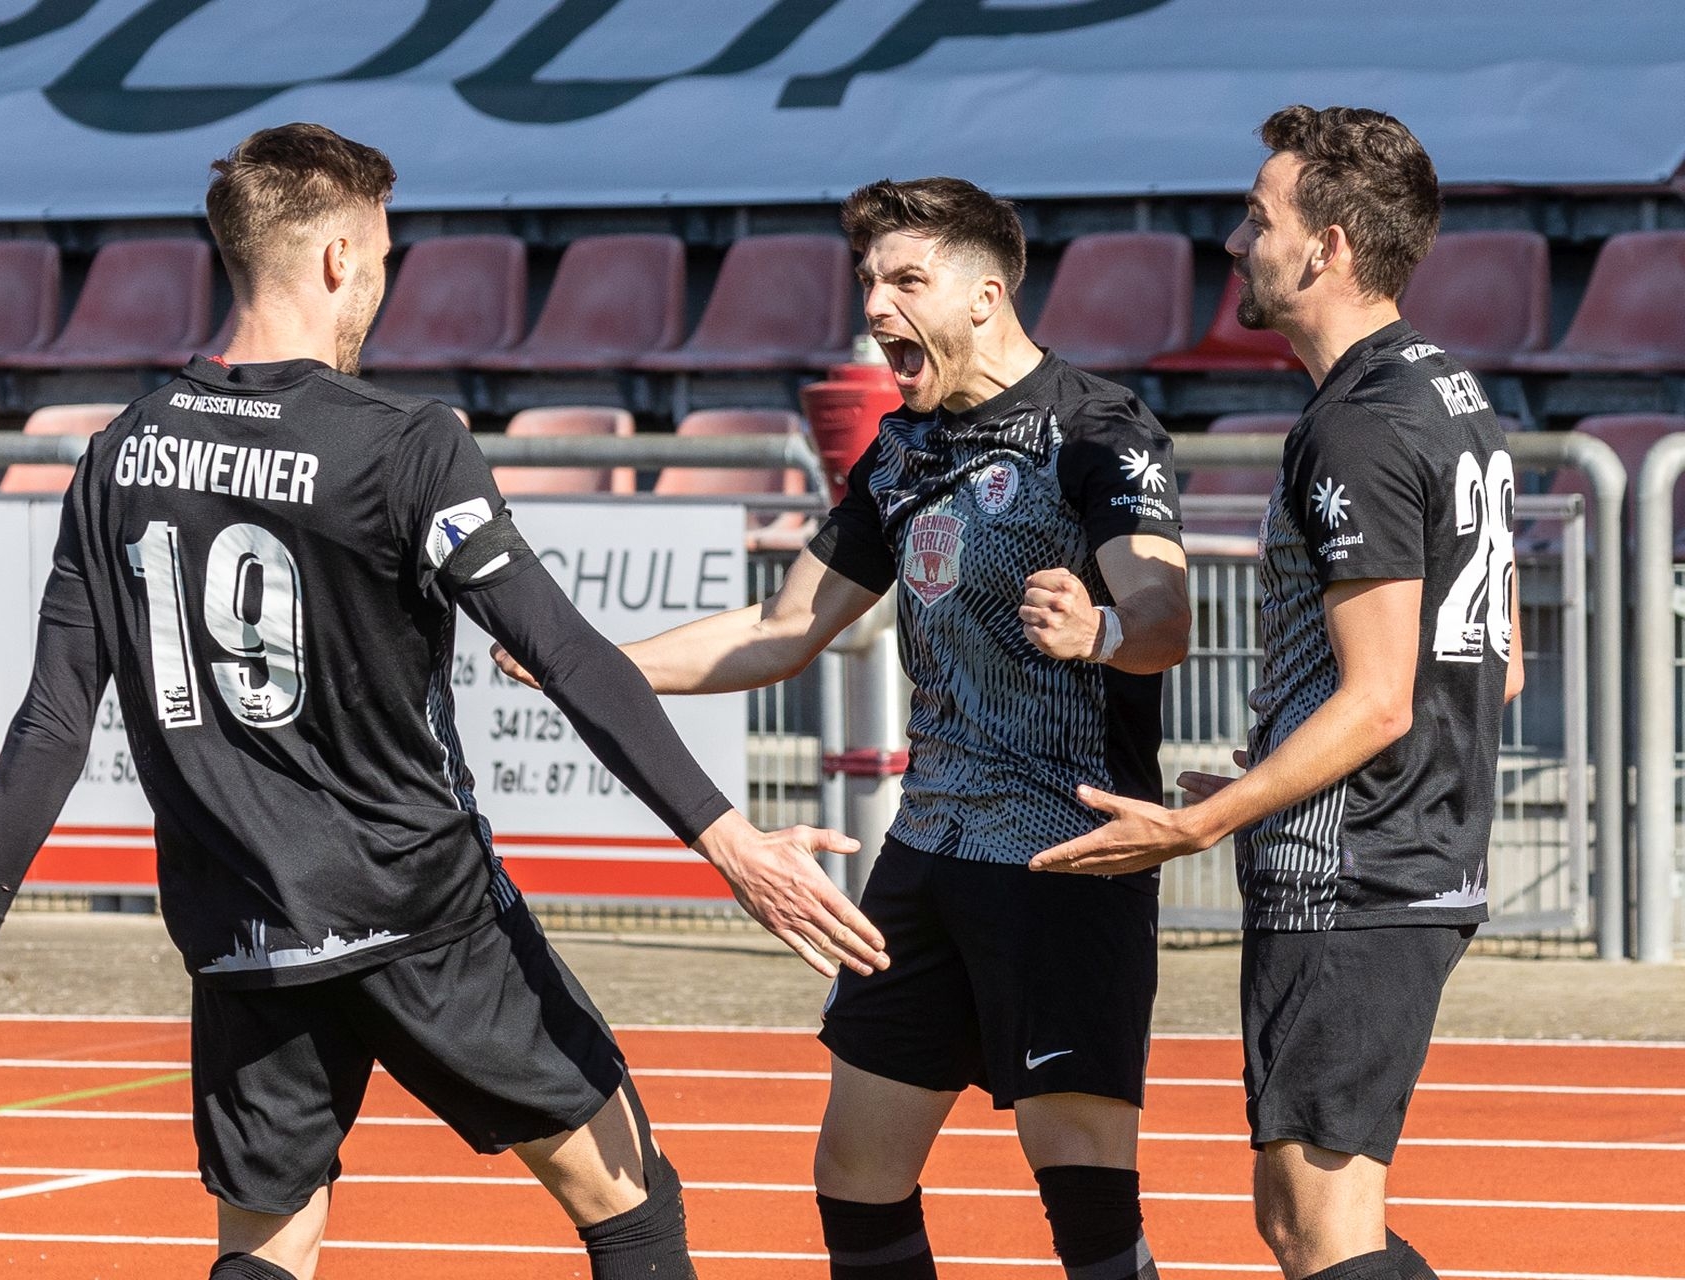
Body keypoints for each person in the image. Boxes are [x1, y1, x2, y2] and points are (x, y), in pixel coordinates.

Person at [0, 122, 887, 1280]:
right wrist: (732, 841)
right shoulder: (406, 445)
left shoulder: (119, 455)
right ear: (338, 258)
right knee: (633, 1199)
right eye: (385, 258)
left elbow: (52, 721)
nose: (385, 285)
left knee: (268, 1244)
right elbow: (565, 650)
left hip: (243, 927)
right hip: (422, 911)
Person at [497, 176, 1191, 1280]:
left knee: (1085, 1198)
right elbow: (781, 630)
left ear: (985, 296)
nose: (875, 304)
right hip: (927, 854)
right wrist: (582, 664)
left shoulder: (1096, 428)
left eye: (906, 279)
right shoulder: (900, 451)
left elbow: (1165, 619)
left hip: (1065, 856)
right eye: (868, 280)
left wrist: (1102, 627)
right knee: (855, 1176)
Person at [1030, 106, 1524, 1280]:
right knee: (1308, 1210)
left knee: (1316, 1218)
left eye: (1260, 218)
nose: (1236, 240)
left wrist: (1203, 821)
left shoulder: (1355, 424)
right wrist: (1280, 767)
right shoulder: (1449, 388)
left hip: (1355, 868)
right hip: (1408, 846)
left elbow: (1381, 697)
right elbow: (1492, 658)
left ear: (1329, 246)